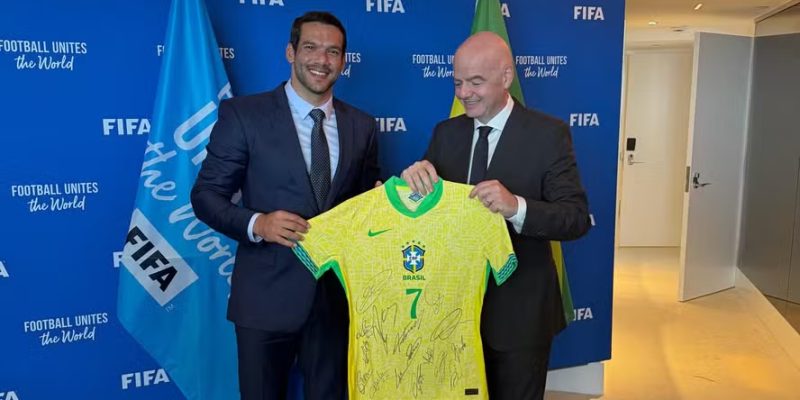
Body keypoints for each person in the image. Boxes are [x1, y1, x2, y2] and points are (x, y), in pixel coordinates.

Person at [191, 11, 379, 400]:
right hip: (265, 298)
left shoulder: (362, 125)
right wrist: (258, 224)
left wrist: (385, 199)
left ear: (343, 60)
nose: (322, 60)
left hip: (335, 301)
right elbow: (206, 196)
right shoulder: (244, 115)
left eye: (333, 52)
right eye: (311, 47)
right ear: (290, 52)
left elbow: (365, 202)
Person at [401, 31, 590, 400]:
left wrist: (516, 206)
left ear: (506, 77)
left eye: (475, 82)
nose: (464, 93)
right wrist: (412, 184)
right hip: (452, 314)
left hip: (521, 316)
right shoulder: (445, 133)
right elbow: (427, 210)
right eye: (457, 82)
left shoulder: (549, 134)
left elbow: (575, 218)